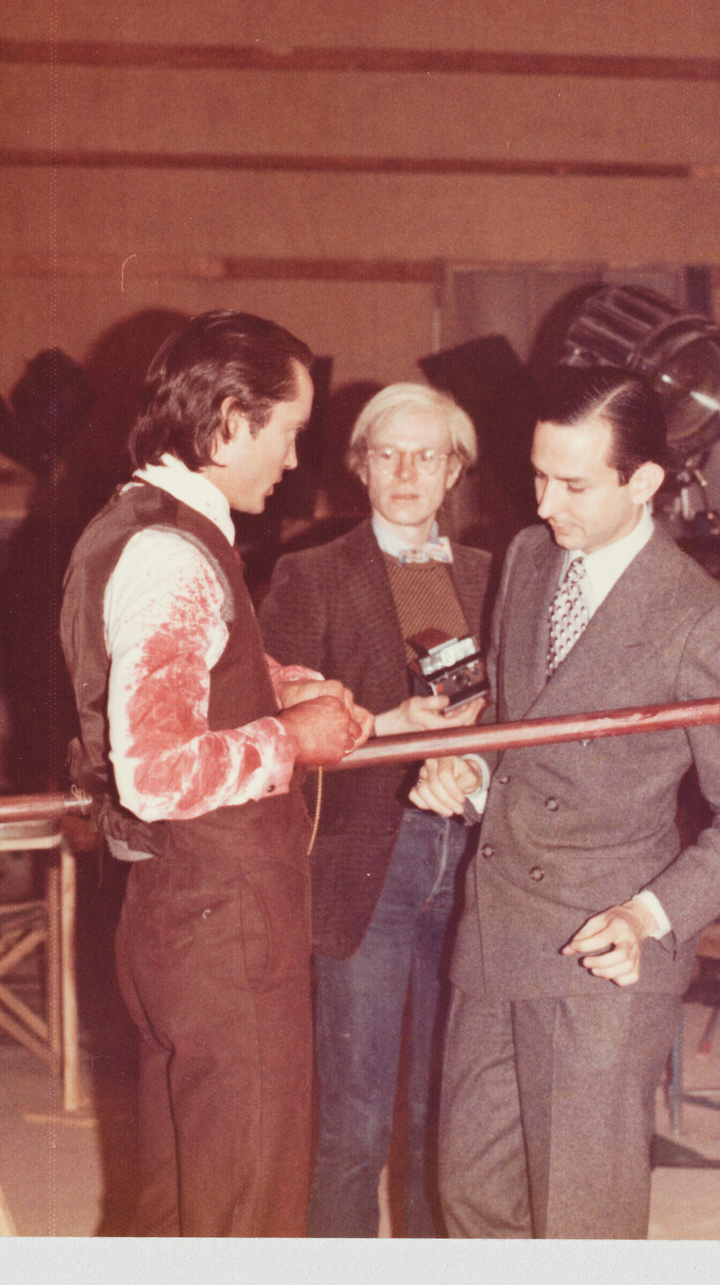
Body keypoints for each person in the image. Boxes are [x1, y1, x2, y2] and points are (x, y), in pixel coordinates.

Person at [411, 363, 720, 1239]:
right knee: (470, 1197)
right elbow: (516, 719)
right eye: (539, 474)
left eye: (574, 484)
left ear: (645, 482)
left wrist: (652, 915)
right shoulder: (529, 558)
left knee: (583, 1220)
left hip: (603, 955)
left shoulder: (703, 622)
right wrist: (467, 768)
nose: (546, 503)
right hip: (497, 931)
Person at [59, 309, 373, 1237]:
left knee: (176, 1211)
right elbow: (155, 771)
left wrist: (276, 682)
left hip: (172, 917)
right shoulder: (171, 556)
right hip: (226, 926)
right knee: (247, 1215)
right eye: (288, 432)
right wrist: (293, 740)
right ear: (231, 418)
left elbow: (164, 676)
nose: (290, 459)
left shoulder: (136, 529)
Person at [260, 383, 492, 1237]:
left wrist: (475, 759)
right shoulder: (310, 574)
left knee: (449, 1119)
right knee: (355, 1123)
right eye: (388, 453)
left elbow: (525, 709)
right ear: (360, 466)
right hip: (366, 866)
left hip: (473, 862)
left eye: (427, 455)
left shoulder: (493, 578)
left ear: (454, 470)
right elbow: (274, 724)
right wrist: (391, 727)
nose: (407, 471)